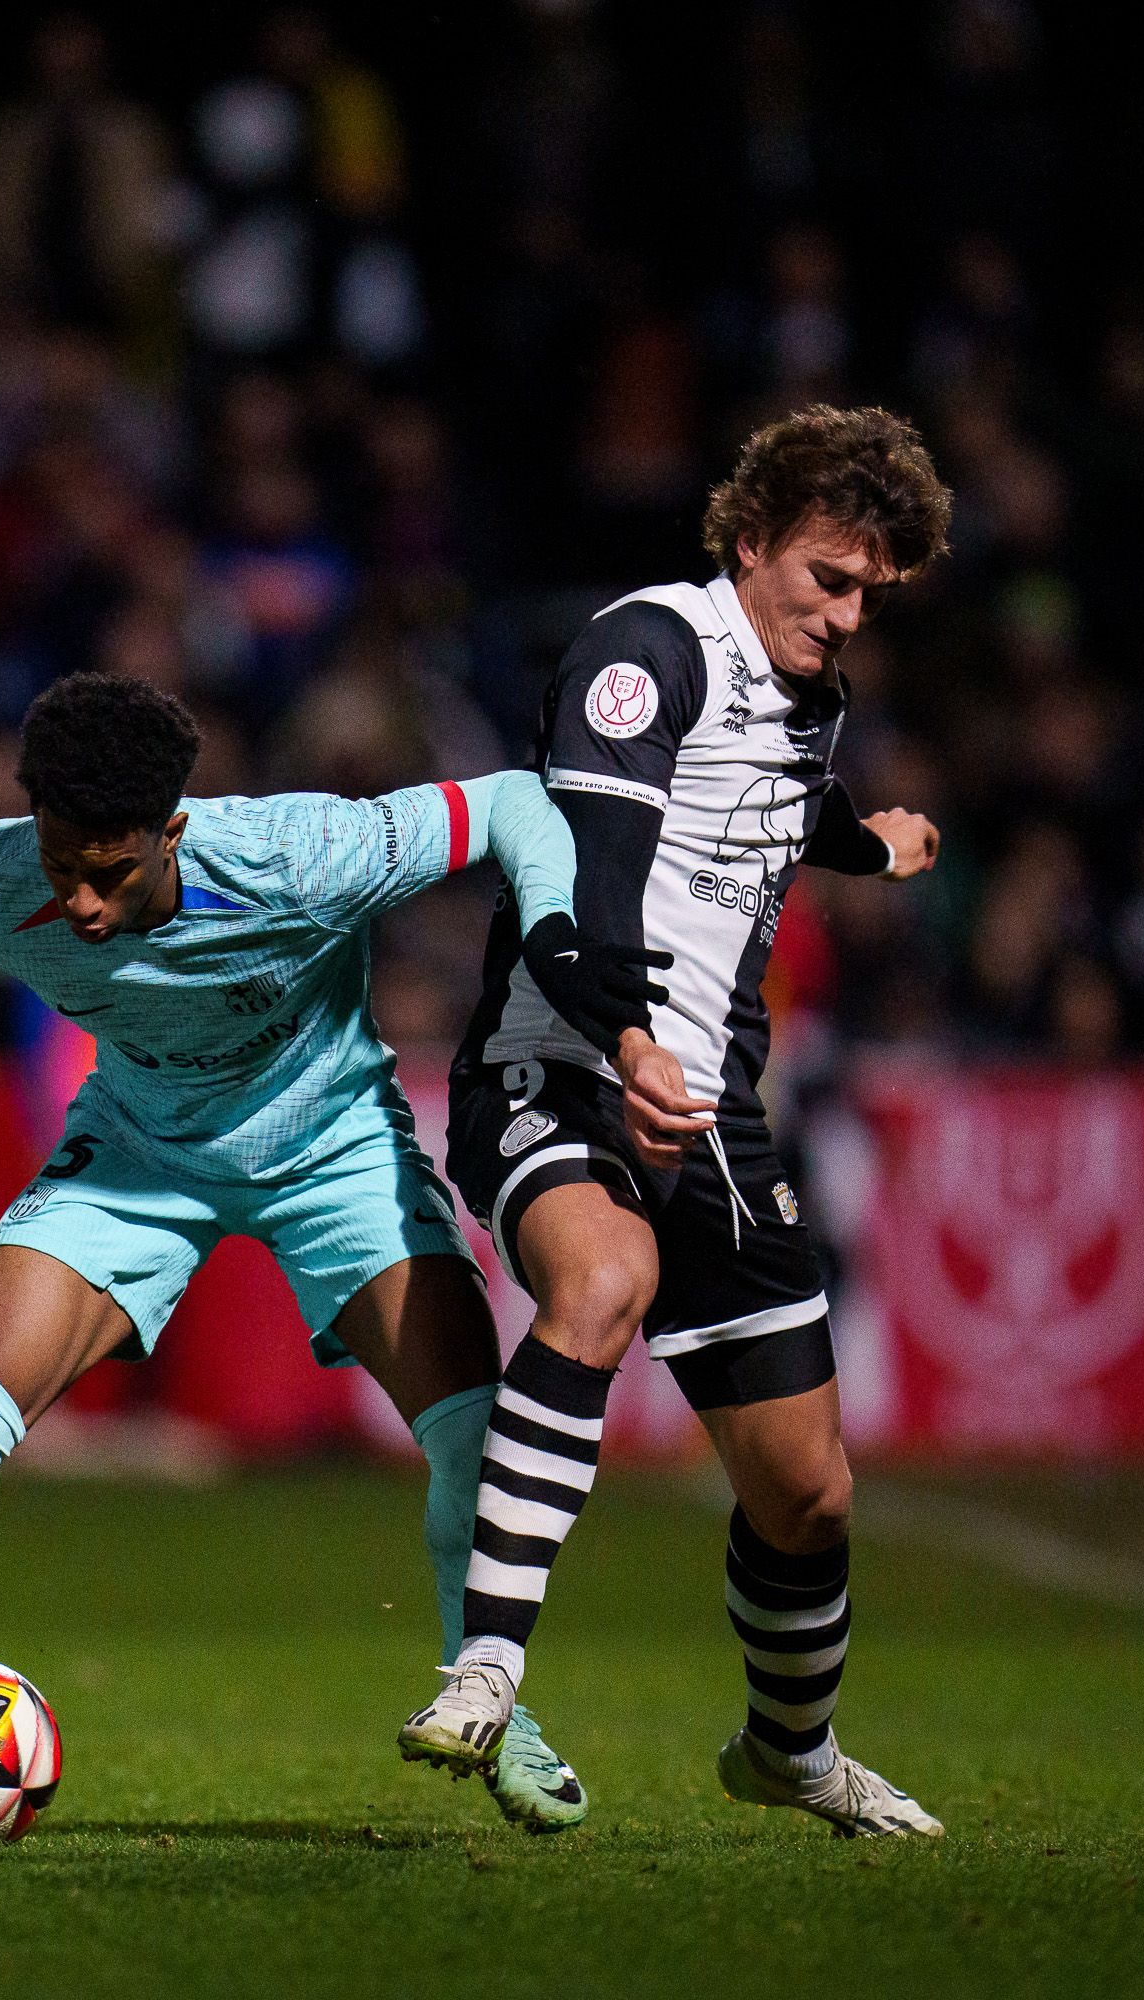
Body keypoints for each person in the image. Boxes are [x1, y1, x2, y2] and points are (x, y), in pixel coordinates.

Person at [0, 670, 650, 1836]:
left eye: (111, 870)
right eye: (63, 867)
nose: (82, 904)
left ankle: (499, 1705)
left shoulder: (302, 851)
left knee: (470, 1438)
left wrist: (554, 928)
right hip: (140, 1153)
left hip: (332, 1150)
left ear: (173, 829)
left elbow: (506, 801)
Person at [411, 405, 953, 1838]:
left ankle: (788, 1751)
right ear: (753, 538)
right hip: (556, 1053)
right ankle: (487, 1665)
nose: (844, 618)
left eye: (870, 598)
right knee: (604, 1279)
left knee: (811, 1496)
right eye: (828, 580)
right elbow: (590, 881)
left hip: (708, 1099)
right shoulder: (642, 652)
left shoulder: (806, 696)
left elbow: (769, 800)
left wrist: (862, 842)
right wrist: (632, 1036)